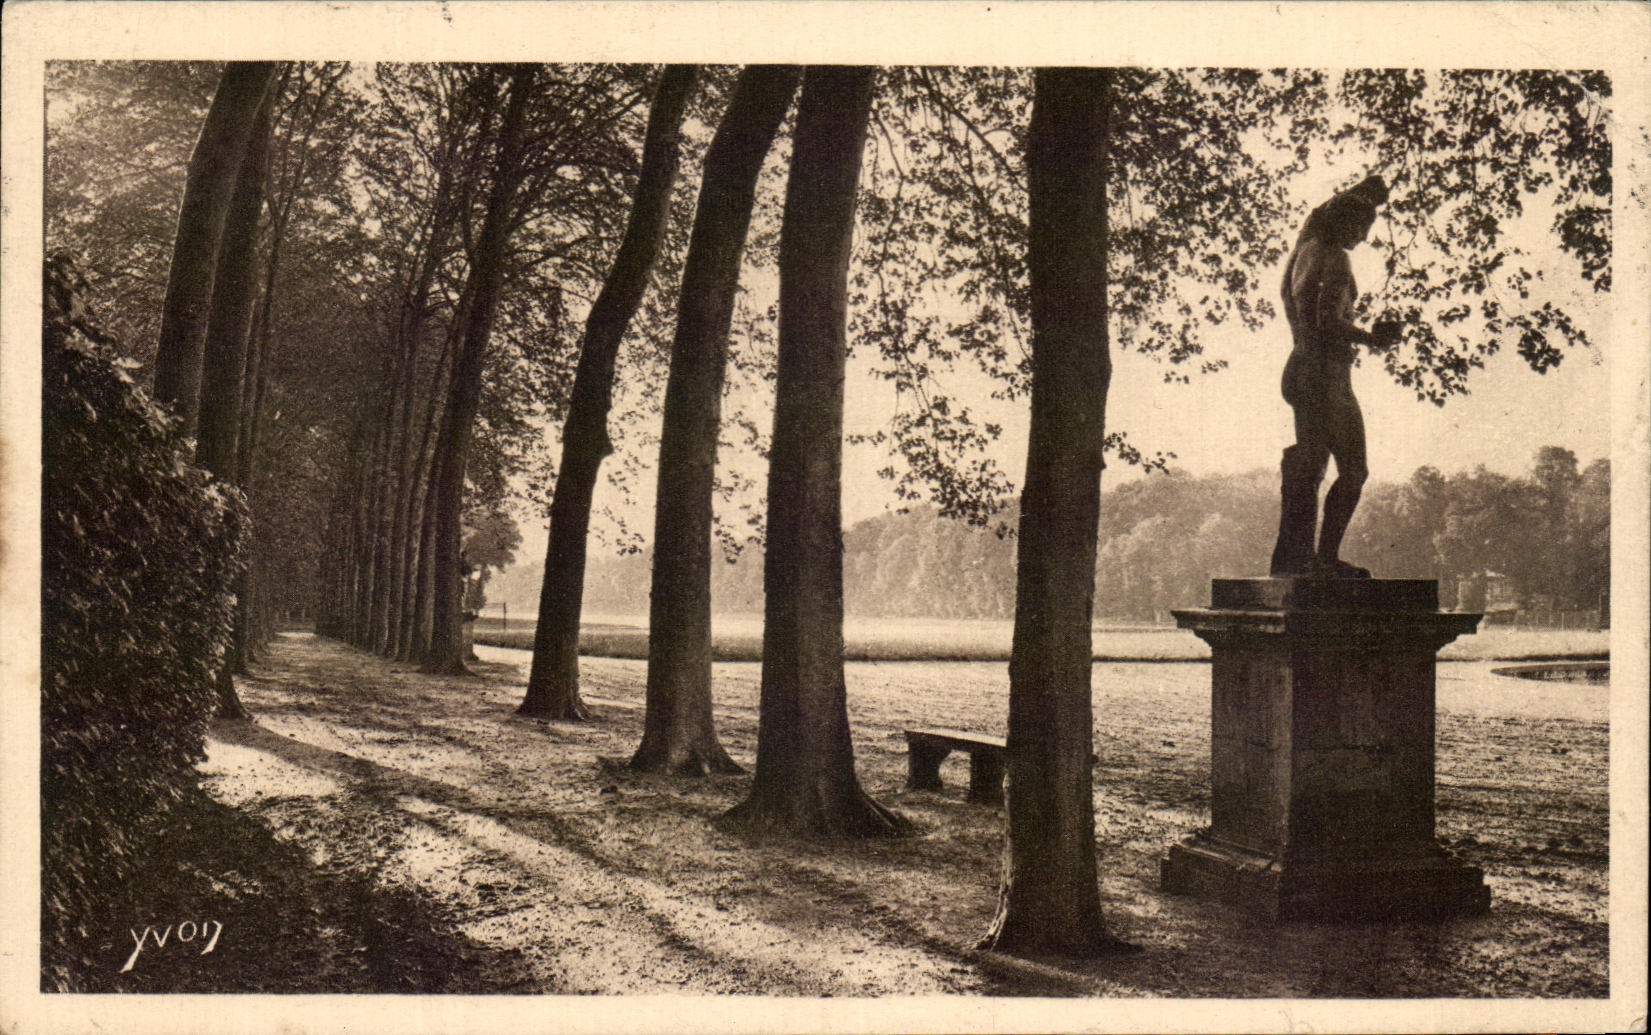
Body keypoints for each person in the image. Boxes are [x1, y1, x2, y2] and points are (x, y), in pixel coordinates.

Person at [1269, 175, 1401, 579]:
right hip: (1327, 376)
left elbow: (1315, 217)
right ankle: (1322, 559)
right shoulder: (1334, 257)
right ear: (1344, 222)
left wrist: (1364, 190)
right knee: (1354, 470)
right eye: (1361, 228)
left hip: (1301, 369)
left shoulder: (1303, 251)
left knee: (1308, 465)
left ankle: (1294, 560)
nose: (1363, 238)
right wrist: (1372, 337)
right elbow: (1327, 320)